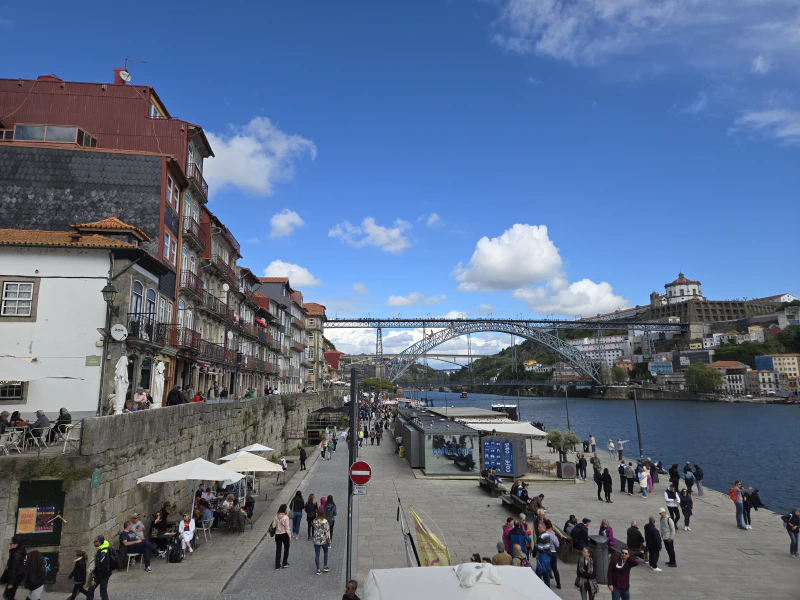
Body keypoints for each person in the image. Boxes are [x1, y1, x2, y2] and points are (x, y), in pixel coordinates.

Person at [2, 535, 26, 600]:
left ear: (16, 544)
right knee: (9, 594)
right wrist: (11, 550)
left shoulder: (17, 556)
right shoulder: (18, 551)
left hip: (16, 577)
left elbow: (14, 570)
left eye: (12, 543)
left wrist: (11, 583)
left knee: (8, 595)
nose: (10, 544)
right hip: (17, 575)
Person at [90, 535, 111, 600]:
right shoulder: (101, 549)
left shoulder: (103, 551)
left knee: (102, 591)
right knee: (92, 589)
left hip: (103, 574)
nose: (94, 542)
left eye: (95, 541)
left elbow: (101, 565)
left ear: (99, 542)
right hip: (102, 573)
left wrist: (95, 575)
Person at [312, 506, 331, 575]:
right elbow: (327, 532)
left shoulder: (315, 521)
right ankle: (325, 566)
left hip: (316, 540)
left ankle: (318, 569)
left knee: (317, 555)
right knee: (325, 552)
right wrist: (329, 541)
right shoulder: (325, 522)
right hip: (324, 540)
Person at [272, 504, 291, 570]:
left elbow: (273, 526)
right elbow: (287, 528)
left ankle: (277, 565)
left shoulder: (276, 516)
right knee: (286, 548)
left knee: (278, 549)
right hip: (284, 534)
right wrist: (289, 536)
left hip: (277, 534)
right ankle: (284, 563)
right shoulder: (286, 517)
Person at [544, 519, 561, 589]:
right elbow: (557, 545)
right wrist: (557, 540)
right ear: (550, 528)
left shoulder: (543, 534)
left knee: (547, 568)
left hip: (545, 552)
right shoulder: (552, 535)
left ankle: (547, 583)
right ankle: (558, 583)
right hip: (553, 552)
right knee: (555, 568)